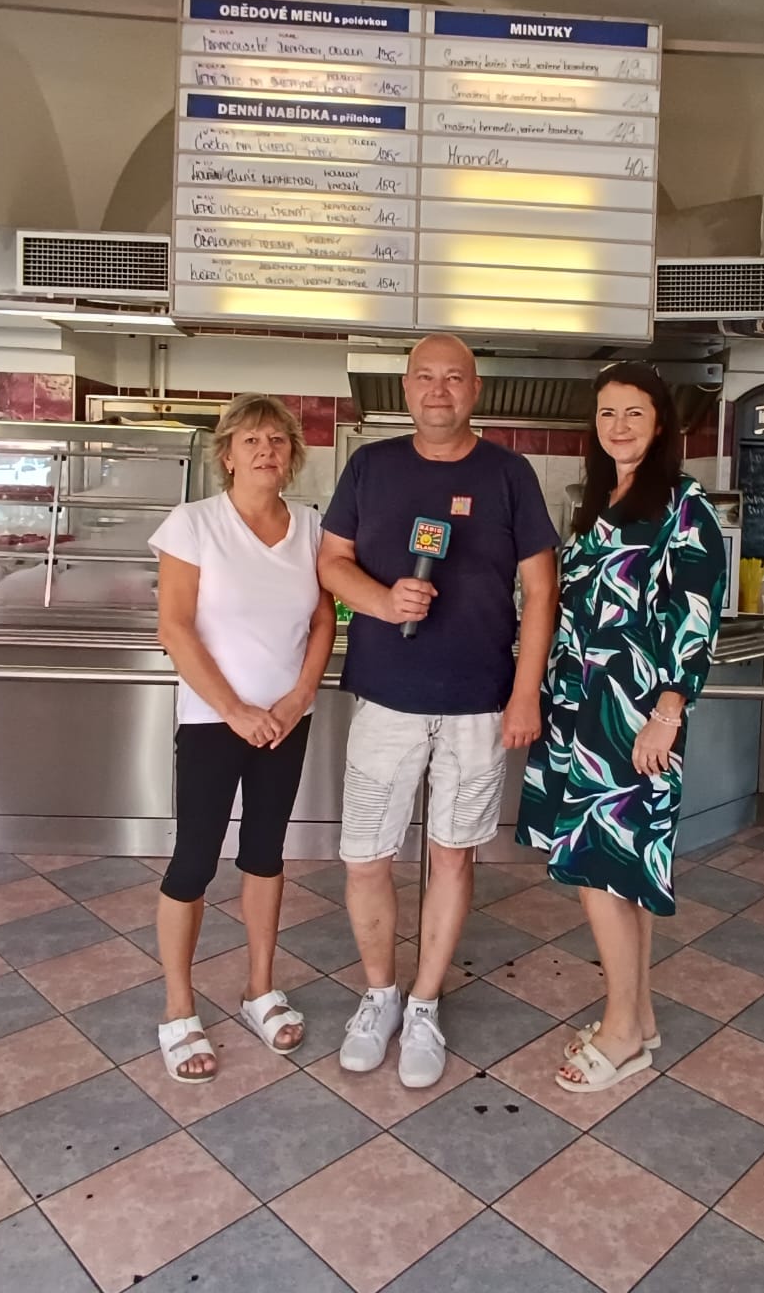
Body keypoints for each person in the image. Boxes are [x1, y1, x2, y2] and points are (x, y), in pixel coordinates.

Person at [318, 335, 558, 1088]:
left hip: (478, 702)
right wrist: (383, 600)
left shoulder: (510, 474)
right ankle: (379, 995)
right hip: (385, 697)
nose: (439, 390)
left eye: (454, 378)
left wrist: (525, 691)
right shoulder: (370, 466)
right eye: (425, 377)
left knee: (453, 854)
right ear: (406, 388)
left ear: (475, 390)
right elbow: (331, 563)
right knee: (366, 856)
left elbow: (541, 591)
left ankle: (424, 1004)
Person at [516, 362, 728, 1093]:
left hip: (634, 718)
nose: (619, 426)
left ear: (660, 423)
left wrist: (669, 713)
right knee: (622, 874)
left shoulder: (684, 506)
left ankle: (620, 1030)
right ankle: (638, 1020)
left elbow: (697, 616)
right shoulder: (602, 503)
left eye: (634, 412)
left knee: (600, 871)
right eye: (607, 413)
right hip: (579, 710)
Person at [149, 395, 333, 1082]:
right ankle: (179, 1008)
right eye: (251, 440)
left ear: (293, 456)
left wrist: (299, 697)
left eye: (277, 441)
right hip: (212, 721)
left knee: (264, 854)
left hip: (285, 722)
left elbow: (324, 619)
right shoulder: (194, 523)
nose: (265, 451)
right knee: (193, 862)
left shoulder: (311, 527)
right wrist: (233, 709)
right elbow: (175, 626)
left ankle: (260, 988)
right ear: (226, 455)